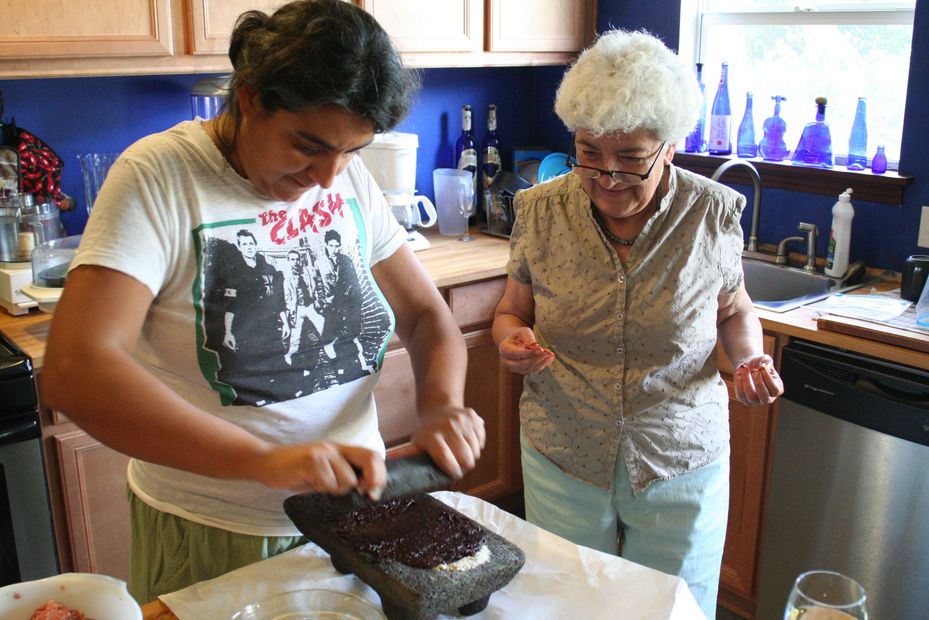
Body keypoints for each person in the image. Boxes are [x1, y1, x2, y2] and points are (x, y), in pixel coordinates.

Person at [40, 0, 484, 604]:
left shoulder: (345, 175)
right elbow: (77, 371)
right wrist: (264, 461)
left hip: (356, 516)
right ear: (249, 98)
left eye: (351, 151)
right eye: (308, 145)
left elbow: (426, 314)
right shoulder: (159, 176)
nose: (329, 176)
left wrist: (440, 404)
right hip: (220, 530)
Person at [491, 30, 784, 619]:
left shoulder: (712, 213)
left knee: (671, 609)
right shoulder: (541, 211)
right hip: (563, 446)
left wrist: (749, 356)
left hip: (680, 453)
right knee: (569, 606)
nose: (607, 175)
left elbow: (734, 309)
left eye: (631, 158)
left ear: (671, 147)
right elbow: (511, 311)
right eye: (589, 152)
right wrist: (509, 341)